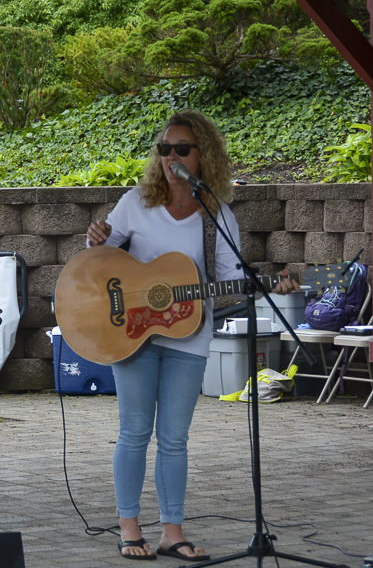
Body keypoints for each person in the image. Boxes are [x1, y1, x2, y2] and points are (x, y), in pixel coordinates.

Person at [85, 111, 299, 561]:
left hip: (189, 335)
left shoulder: (215, 213)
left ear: (203, 157)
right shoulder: (135, 202)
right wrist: (96, 238)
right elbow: (101, 258)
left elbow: (229, 277)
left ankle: (171, 532)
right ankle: (129, 528)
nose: (171, 157)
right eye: (164, 149)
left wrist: (266, 284)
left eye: (181, 149)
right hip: (133, 334)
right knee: (135, 431)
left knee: (174, 438)